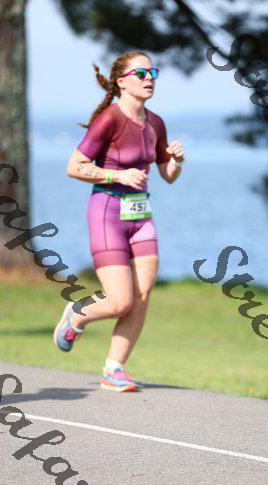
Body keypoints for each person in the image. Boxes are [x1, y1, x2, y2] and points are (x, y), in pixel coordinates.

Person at [53, 50, 185, 392]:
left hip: (140, 213)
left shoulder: (156, 123)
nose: (149, 78)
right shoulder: (109, 119)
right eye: (141, 73)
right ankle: (77, 313)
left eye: (153, 72)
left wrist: (176, 161)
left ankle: (114, 369)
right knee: (120, 300)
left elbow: (167, 175)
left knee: (143, 294)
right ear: (122, 82)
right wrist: (118, 175)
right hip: (107, 212)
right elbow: (74, 166)